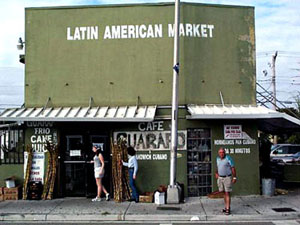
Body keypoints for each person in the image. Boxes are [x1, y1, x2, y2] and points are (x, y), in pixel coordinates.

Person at [215, 148, 237, 215]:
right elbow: (218, 167)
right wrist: (216, 173)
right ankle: (226, 207)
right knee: (223, 192)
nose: (221, 154)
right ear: (218, 153)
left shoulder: (228, 158)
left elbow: (233, 168)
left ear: (225, 153)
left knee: (227, 193)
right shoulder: (217, 159)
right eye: (220, 152)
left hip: (227, 177)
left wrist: (234, 177)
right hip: (220, 178)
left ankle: (227, 208)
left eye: (223, 152)